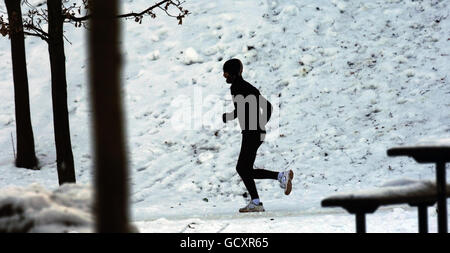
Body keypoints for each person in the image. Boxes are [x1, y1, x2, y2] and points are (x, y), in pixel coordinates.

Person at [222, 58, 294, 213]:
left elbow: (240, 110)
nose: (225, 77)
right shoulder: (249, 87)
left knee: (242, 168)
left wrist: (228, 117)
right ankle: (279, 178)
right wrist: (261, 124)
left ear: (233, 74)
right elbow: (268, 107)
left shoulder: (236, 88)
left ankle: (259, 199)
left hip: (251, 132)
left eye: (226, 74)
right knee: (245, 169)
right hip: (257, 132)